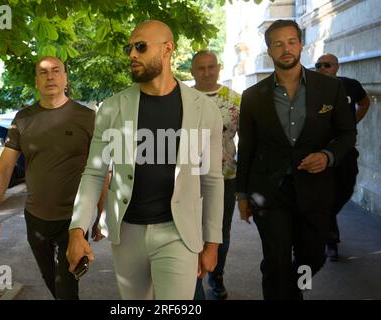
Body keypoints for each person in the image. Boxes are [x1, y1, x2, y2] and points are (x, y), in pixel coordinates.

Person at [66, 20, 224, 300]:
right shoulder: (112, 108)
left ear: (168, 49)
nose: (132, 54)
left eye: (140, 46)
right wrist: (77, 230)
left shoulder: (203, 109)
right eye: (129, 48)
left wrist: (212, 243)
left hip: (178, 232)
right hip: (126, 232)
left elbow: (211, 179)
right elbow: (94, 172)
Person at [236, 20, 356, 300]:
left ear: (301, 45)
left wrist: (328, 156)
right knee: (276, 262)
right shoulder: (253, 97)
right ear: (269, 51)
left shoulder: (330, 89)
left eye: (291, 41)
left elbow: (347, 134)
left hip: (315, 190)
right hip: (269, 192)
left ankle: (294, 292)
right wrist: (241, 193)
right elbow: (249, 146)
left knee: (311, 259)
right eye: (278, 44)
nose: (285, 48)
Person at [0, 56, 102, 300]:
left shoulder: (88, 117)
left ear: (65, 77)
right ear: (36, 81)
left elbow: (101, 170)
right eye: (43, 72)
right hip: (35, 219)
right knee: (51, 281)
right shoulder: (23, 119)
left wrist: (101, 215)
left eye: (56, 71)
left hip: (74, 220)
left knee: (67, 286)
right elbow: (4, 168)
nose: (50, 77)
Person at [190, 50, 240, 300]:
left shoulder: (235, 99)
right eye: (201, 68)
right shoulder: (182, 98)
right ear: (192, 71)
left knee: (221, 231)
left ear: (219, 67)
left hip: (225, 177)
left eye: (211, 67)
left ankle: (216, 275)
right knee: (191, 230)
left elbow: (248, 138)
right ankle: (194, 282)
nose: (207, 72)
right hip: (189, 178)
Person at [315, 53, 371, 261]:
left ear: (336, 67)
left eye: (327, 65)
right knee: (325, 196)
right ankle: (331, 241)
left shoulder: (350, 85)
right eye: (318, 65)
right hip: (321, 153)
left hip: (345, 150)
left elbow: (365, 103)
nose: (322, 68)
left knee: (346, 188)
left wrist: (352, 122)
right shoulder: (311, 89)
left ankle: (326, 223)